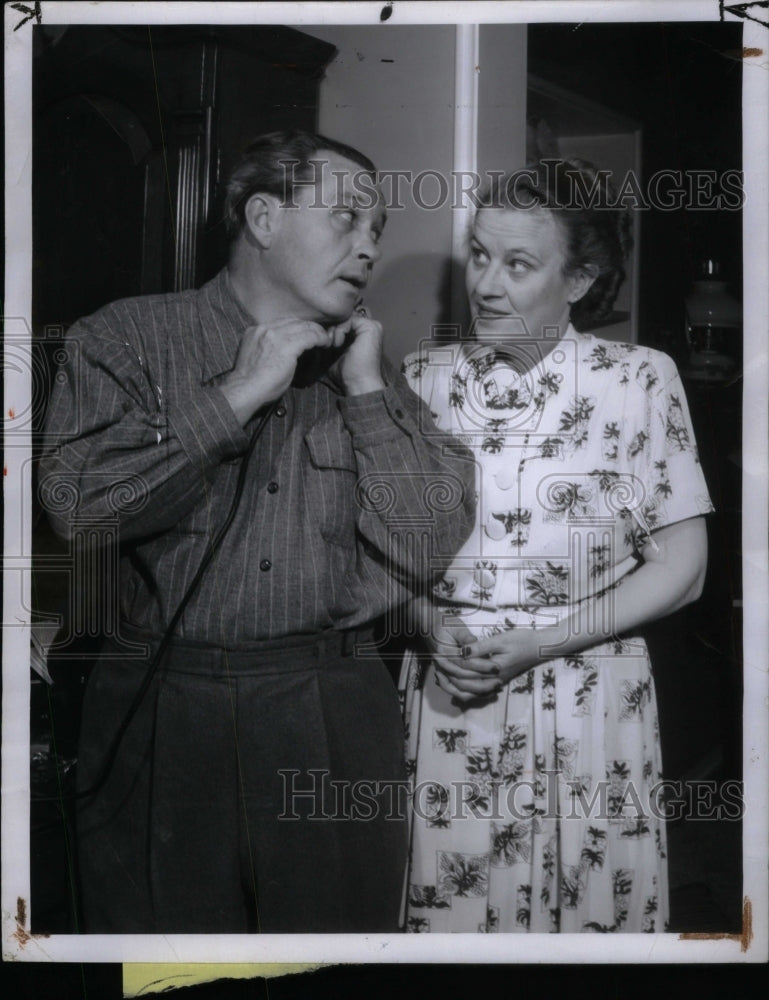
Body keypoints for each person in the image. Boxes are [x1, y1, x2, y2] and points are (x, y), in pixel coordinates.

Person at [39, 130, 475, 934]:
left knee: (332, 962)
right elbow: (83, 510)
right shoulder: (125, 337)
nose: (366, 247)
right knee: (166, 961)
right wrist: (238, 396)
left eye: (376, 230)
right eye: (346, 219)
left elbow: (430, 536)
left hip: (330, 708)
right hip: (166, 712)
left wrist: (368, 396)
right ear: (264, 219)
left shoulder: (372, 368)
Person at [399, 159, 713, 933]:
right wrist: (427, 623)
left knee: (582, 929)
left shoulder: (637, 380)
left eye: (517, 264)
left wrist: (541, 640)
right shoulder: (419, 378)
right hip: (449, 688)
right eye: (478, 255)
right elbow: (379, 556)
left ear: (578, 281)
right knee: (445, 933)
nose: (486, 284)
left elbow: (682, 569)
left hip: (585, 696)